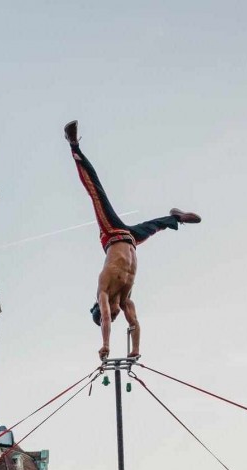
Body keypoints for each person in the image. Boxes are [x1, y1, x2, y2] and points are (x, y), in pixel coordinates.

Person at [63, 119, 201, 360]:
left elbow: (104, 318)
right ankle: (175, 218)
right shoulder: (126, 300)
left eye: (112, 315)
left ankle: (73, 145)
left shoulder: (103, 292)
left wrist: (105, 345)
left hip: (113, 232)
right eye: (117, 317)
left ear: (100, 306)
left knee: (97, 192)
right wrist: (135, 351)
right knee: (156, 226)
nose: (115, 315)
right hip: (132, 239)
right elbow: (135, 322)